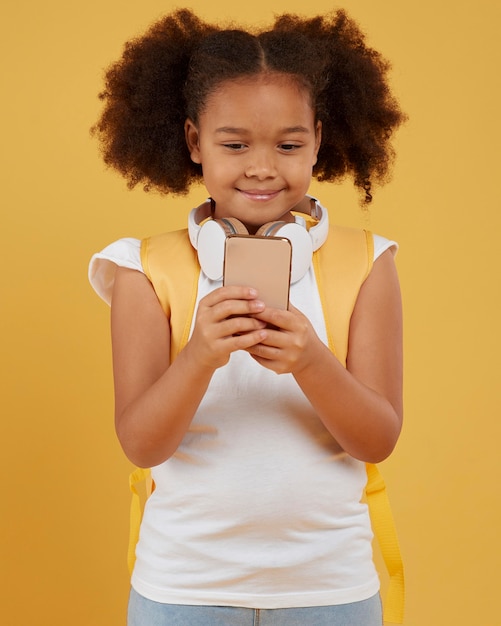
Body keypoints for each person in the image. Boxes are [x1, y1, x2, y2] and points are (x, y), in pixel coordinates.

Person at [89, 8, 405, 626]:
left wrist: (313, 362)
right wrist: (200, 357)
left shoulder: (368, 262)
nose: (262, 167)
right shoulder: (142, 269)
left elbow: (378, 440)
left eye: (289, 145)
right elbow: (141, 445)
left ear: (317, 138)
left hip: (330, 591)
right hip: (182, 590)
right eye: (234, 145)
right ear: (193, 143)